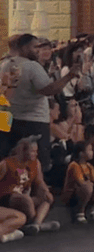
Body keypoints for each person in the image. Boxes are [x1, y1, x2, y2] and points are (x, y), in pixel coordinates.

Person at [1, 34, 80, 169]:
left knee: (12, 162)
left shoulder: (5, 64)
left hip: (9, 119)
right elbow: (49, 89)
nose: (38, 50)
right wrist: (69, 76)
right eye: (35, 47)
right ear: (24, 47)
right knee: (35, 164)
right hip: (33, 122)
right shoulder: (32, 66)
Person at [0, 136, 58, 234]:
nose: (35, 154)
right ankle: (30, 223)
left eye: (36, 151)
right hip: (6, 197)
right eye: (32, 151)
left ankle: (36, 224)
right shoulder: (6, 164)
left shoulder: (35, 163)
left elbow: (40, 181)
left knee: (45, 199)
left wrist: (46, 192)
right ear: (23, 150)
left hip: (24, 196)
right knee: (25, 200)